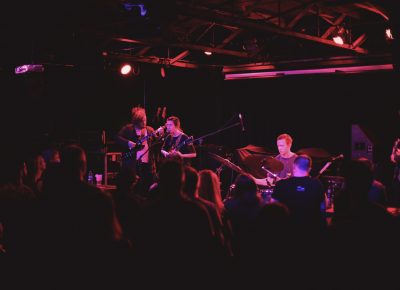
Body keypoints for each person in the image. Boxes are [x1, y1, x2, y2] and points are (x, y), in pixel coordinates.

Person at [116, 106, 163, 194]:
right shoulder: (128, 128)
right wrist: (128, 143)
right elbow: (117, 138)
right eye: (143, 121)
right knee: (134, 189)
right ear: (136, 121)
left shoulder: (150, 130)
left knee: (147, 188)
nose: (145, 122)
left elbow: (157, 146)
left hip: (148, 166)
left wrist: (160, 136)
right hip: (132, 165)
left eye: (145, 119)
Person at [272, 154, 325, 230]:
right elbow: (323, 208)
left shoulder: (281, 184)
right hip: (312, 229)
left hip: (286, 229)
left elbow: (273, 209)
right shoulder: (317, 184)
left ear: (293, 167)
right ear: (309, 169)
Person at [390, 138, 400, 204]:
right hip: (397, 170)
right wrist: (395, 148)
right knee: (396, 187)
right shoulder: (396, 147)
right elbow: (393, 159)